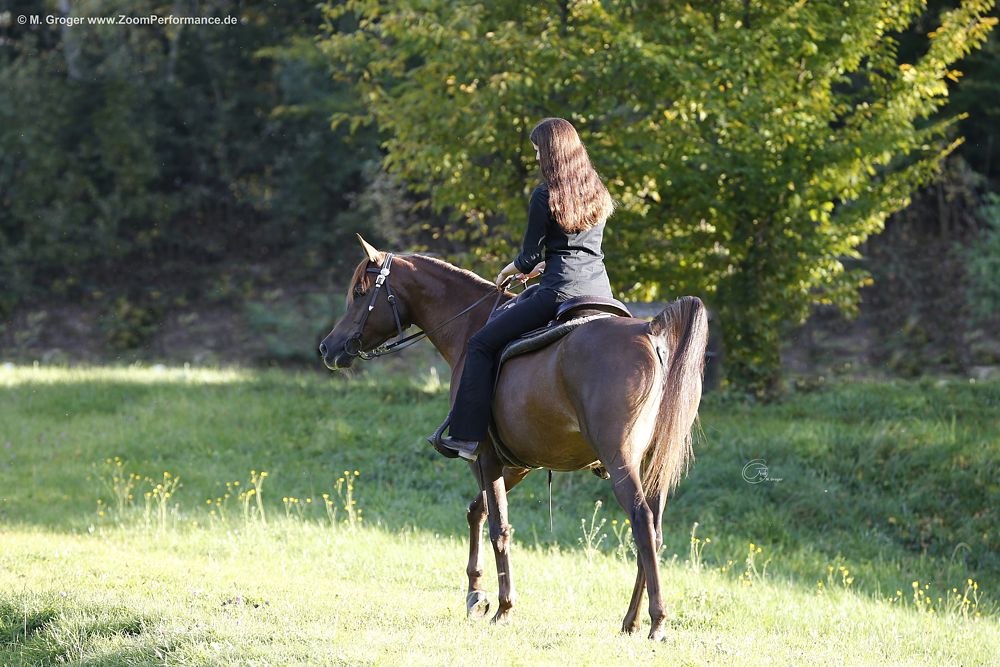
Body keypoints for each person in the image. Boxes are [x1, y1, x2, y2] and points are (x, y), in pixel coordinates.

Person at [437, 117, 616, 461]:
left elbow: (529, 254)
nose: (536, 158)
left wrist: (507, 272)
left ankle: (465, 438)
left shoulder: (545, 194)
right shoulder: (598, 191)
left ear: (551, 152)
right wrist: (540, 267)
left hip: (559, 293)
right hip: (599, 293)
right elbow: (578, 249)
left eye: (538, 151)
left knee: (480, 344)